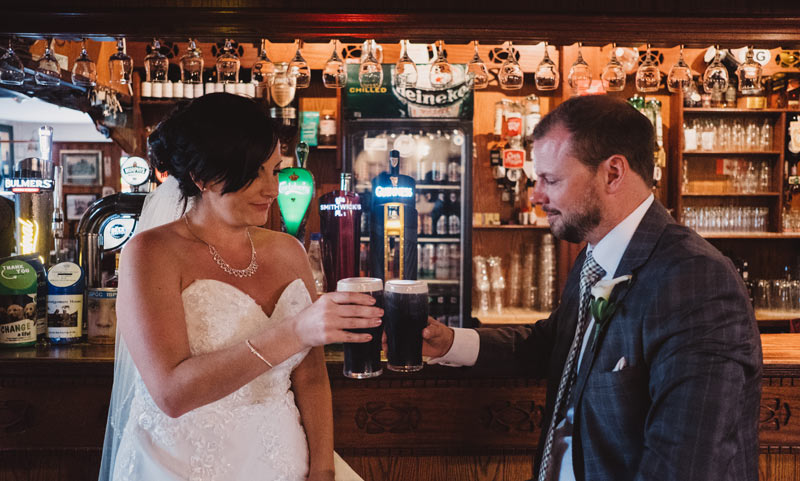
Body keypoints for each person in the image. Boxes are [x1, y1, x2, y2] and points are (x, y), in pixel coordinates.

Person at [422, 95, 762, 481]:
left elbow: (685, 464)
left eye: (551, 179)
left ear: (613, 173)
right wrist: (450, 343)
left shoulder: (696, 280)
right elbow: (556, 344)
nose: (536, 196)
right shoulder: (595, 255)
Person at [98, 93, 375, 481]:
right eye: (254, 174)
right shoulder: (151, 253)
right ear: (202, 177)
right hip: (182, 465)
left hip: (285, 459)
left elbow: (311, 378)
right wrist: (295, 331)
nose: (273, 189)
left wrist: (324, 468)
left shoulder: (288, 251)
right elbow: (172, 394)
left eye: (275, 171)